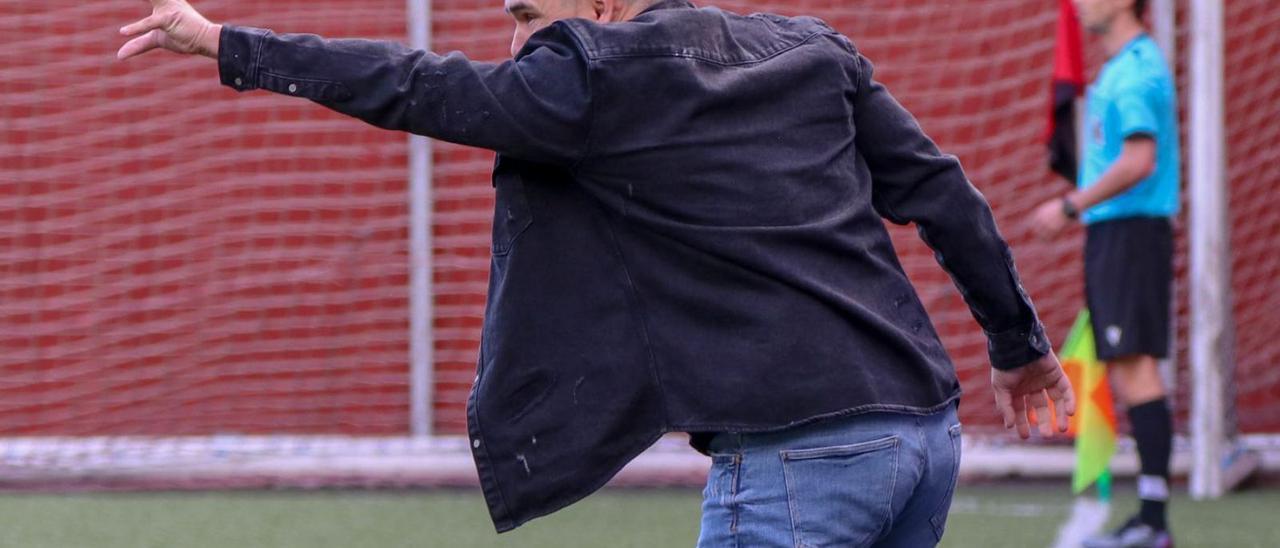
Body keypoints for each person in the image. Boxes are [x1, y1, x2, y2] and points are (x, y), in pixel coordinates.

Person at [120, 1, 1075, 545]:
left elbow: (415, 85)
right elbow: (943, 193)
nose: (518, 45)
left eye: (532, 15)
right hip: (923, 436)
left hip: (800, 460)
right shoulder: (813, 49)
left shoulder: (593, 79)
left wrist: (227, 44)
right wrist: (1022, 348)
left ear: (608, 7)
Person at [1032, 0, 1178, 546]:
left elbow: (1141, 160)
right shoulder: (1121, 67)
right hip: (1117, 235)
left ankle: (1155, 523)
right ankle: (1150, 518)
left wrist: (1071, 205)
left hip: (1132, 233)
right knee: (1126, 367)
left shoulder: (1138, 69)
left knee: (1137, 369)